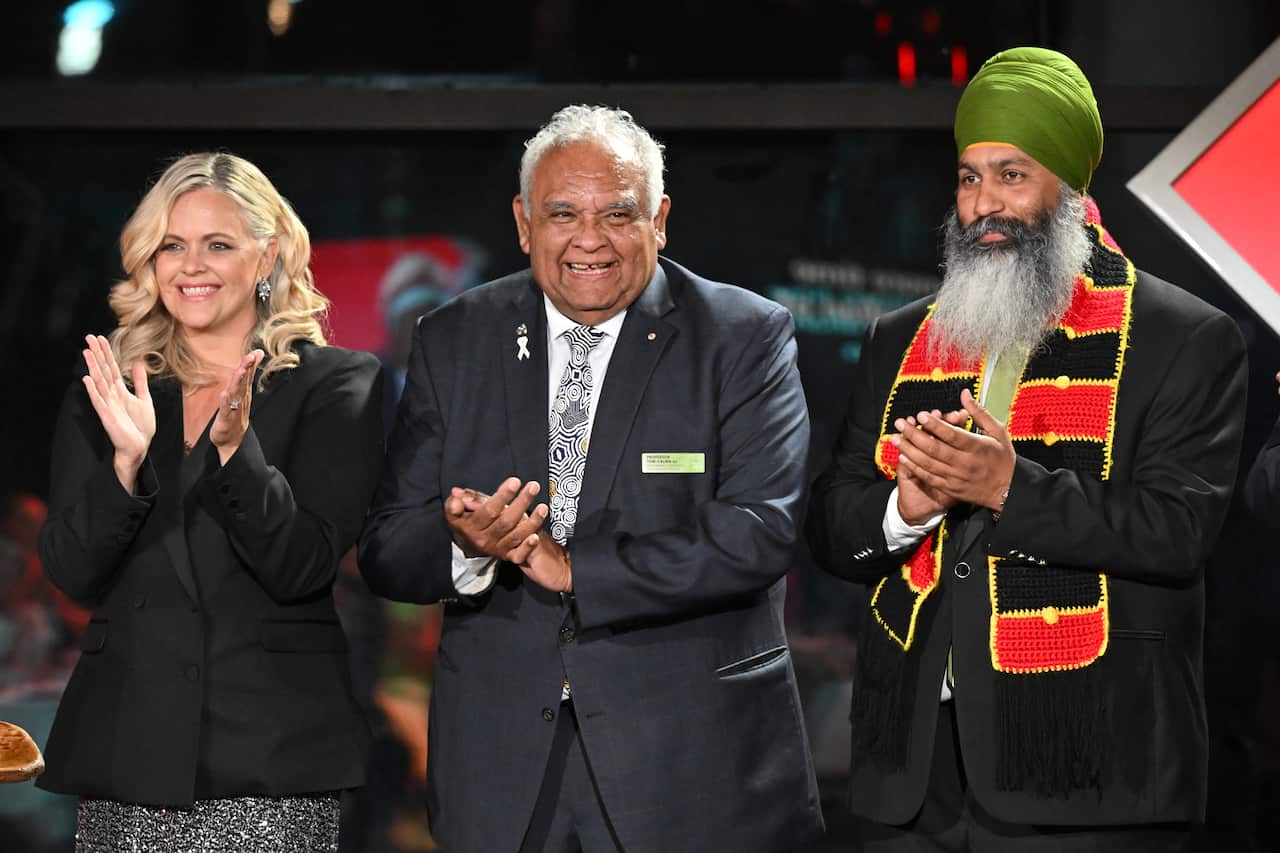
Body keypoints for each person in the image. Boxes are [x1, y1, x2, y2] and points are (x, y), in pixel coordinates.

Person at [807, 47, 1247, 851]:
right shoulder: (900, 338)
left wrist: (1013, 487)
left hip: (1090, 778)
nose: (984, 205)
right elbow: (834, 524)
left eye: (1012, 176)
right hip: (915, 782)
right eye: (970, 178)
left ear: (1073, 193)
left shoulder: (1185, 338)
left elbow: (1178, 529)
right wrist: (908, 507)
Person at [359, 105, 823, 853]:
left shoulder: (743, 335)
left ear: (660, 218)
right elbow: (387, 544)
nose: (588, 239)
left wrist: (575, 567)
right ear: (522, 222)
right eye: (563, 213)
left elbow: (758, 531)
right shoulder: (454, 338)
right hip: (503, 776)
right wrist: (466, 544)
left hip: (690, 767)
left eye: (617, 213)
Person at [36, 153, 383, 851]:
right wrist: (126, 464)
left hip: (268, 754)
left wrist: (236, 451)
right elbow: (71, 570)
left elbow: (302, 565)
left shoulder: (336, 383)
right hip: (128, 753)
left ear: (267, 256)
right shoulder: (106, 390)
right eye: (172, 244)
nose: (191, 265)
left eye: (218, 244)